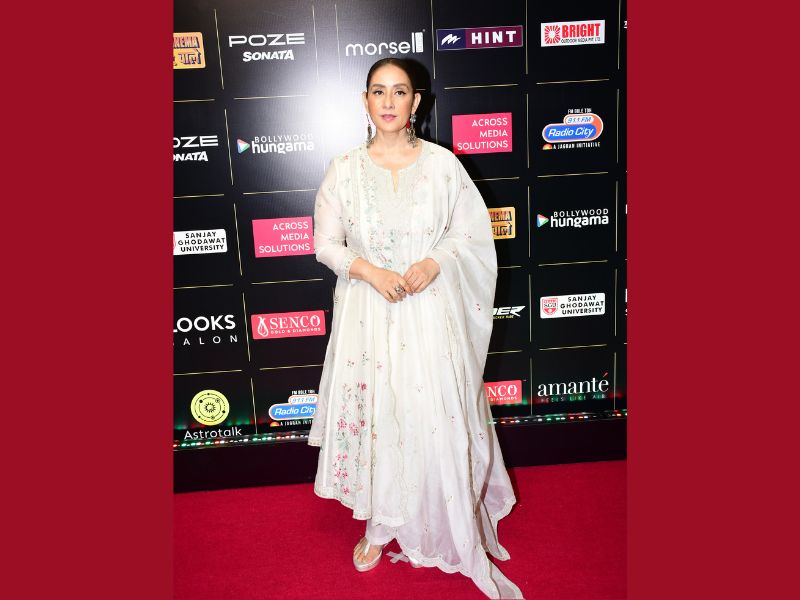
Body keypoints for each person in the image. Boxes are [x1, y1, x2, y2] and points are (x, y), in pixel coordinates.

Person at [307, 57, 523, 599]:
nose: (388, 101)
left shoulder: (443, 165)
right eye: (378, 91)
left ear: (415, 103)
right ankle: (379, 524)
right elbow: (325, 244)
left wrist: (435, 261)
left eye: (399, 91)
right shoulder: (343, 170)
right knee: (380, 416)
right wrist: (370, 271)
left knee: (430, 415)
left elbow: (468, 234)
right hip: (368, 315)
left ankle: (441, 509)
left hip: (428, 314)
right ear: (364, 101)